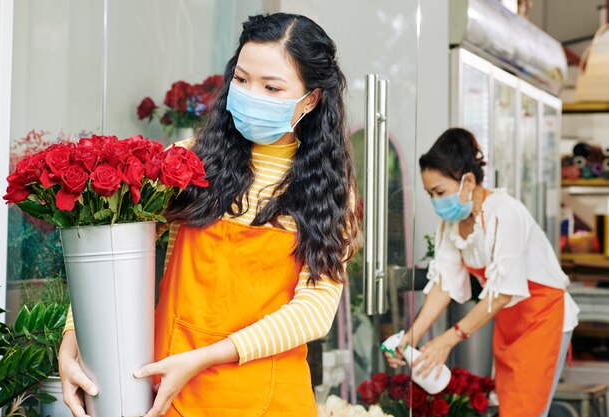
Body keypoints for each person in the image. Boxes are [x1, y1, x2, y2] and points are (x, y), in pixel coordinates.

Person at [58, 13, 359, 417]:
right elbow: (114, 250)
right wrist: (73, 338)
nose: (252, 94)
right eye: (242, 79)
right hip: (169, 392)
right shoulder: (185, 161)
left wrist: (203, 358)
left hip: (267, 399)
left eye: (271, 87)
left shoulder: (328, 191)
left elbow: (315, 310)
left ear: (311, 99)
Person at [385, 128, 579, 417]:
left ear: (469, 181)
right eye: (430, 194)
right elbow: (444, 286)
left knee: (527, 410)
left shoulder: (506, 213)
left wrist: (446, 341)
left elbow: (501, 293)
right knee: (508, 405)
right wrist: (411, 337)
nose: (436, 201)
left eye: (440, 192)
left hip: (543, 318)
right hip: (509, 321)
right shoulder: (452, 225)